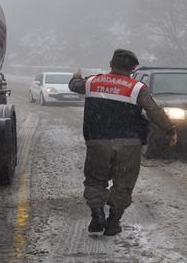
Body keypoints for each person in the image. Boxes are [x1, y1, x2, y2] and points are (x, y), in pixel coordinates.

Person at [69, 49, 177, 236]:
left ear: (111, 63)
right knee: (123, 183)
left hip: (98, 141)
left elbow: (74, 85)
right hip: (130, 143)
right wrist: (170, 129)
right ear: (133, 67)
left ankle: (97, 214)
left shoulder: (93, 82)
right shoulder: (137, 88)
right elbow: (154, 111)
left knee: (95, 180)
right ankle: (113, 222)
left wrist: (76, 75)